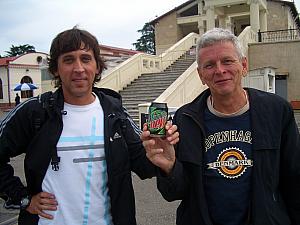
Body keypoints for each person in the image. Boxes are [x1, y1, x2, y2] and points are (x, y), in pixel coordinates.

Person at [0, 27, 178, 225]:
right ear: (55, 69)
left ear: (97, 66)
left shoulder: (115, 113)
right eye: (68, 60)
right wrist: (22, 198)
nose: (78, 68)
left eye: (85, 59)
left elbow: (142, 165)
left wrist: (160, 153)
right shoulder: (35, 112)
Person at [142, 28, 300, 225]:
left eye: (227, 61)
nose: (219, 70)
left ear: (243, 65)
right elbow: (175, 193)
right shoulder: (185, 119)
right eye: (209, 65)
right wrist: (169, 167)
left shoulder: (277, 111)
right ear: (200, 75)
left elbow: (294, 180)